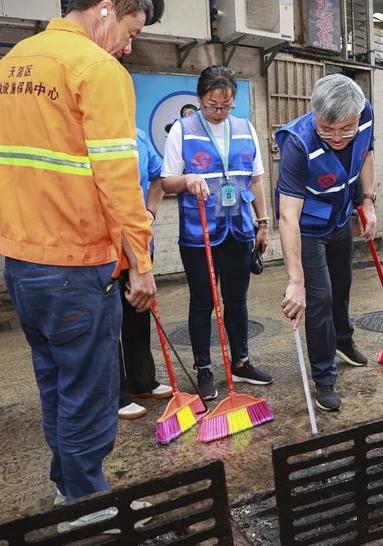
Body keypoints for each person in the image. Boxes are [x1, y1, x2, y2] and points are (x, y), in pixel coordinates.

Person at [0, 0, 158, 510]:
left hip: (21, 264)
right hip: (77, 266)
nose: (128, 46)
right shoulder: (96, 68)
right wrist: (142, 266)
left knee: (55, 385)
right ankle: (88, 507)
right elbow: (119, 184)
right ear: (108, 9)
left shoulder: (12, 64)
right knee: (90, 397)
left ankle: (67, 486)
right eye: (131, 31)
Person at [162, 65, 273, 400]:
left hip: (238, 230)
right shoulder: (182, 129)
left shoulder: (245, 128)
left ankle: (241, 362)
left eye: (227, 106)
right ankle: (204, 368)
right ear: (201, 98)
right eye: (213, 105)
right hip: (200, 235)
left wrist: (263, 222)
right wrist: (187, 180)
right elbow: (167, 181)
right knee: (203, 302)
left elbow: (255, 179)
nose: (220, 112)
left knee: (237, 301)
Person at [277, 74, 376, 412]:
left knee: (343, 287)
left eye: (344, 129)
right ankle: (324, 376)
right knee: (319, 298)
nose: (336, 137)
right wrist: (295, 281)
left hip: (340, 219)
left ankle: (343, 341)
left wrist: (369, 202)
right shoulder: (297, 143)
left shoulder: (365, 116)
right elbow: (288, 216)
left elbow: (365, 155)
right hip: (307, 228)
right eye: (327, 129)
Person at [118, 128, 172, 420]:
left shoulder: (137, 135)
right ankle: (116, 393)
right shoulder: (89, 134)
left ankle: (142, 381)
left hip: (138, 241)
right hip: (104, 245)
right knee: (108, 321)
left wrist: (150, 211)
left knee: (138, 311)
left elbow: (159, 177)